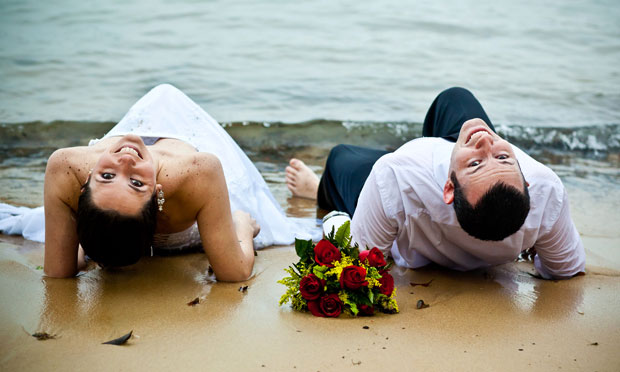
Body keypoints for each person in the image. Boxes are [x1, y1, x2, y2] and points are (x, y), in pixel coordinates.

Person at [286, 87, 585, 280]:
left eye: (475, 163)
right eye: (504, 157)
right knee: (455, 99)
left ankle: (317, 190)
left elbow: (364, 264)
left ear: (449, 188)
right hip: (430, 173)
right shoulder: (546, 188)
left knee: (340, 159)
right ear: (526, 184)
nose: (485, 140)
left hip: (408, 188)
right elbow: (565, 268)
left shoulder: (396, 174)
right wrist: (531, 244)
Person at [41, 84, 318, 281]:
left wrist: (82, 246)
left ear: (85, 182)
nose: (125, 162)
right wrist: (242, 226)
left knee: (163, 96)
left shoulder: (66, 166)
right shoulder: (198, 172)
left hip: (159, 139)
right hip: (186, 148)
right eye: (137, 183)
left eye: (107, 176)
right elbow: (235, 272)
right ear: (157, 194)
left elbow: (59, 270)